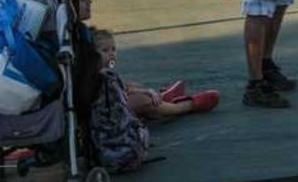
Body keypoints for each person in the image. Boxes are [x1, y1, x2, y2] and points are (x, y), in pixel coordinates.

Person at [92, 29, 220, 117]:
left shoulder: (104, 70)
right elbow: (119, 90)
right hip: (107, 113)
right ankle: (186, 105)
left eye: (113, 49)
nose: (112, 53)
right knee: (145, 99)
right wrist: (145, 91)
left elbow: (121, 86)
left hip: (109, 107)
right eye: (105, 50)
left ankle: (162, 97)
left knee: (136, 86)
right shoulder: (101, 73)